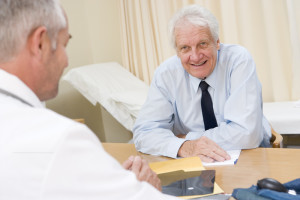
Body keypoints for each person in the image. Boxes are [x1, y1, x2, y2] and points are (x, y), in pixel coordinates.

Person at [0, 0, 178, 199]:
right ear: (40, 43)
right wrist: (144, 192)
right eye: (64, 45)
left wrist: (108, 181)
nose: (66, 60)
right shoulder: (59, 140)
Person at [133, 4, 271, 162]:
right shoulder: (166, 74)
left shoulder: (238, 60)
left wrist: (188, 139)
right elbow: (144, 133)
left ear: (217, 42)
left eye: (202, 44)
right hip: (195, 166)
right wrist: (184, 146)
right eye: (185, 48)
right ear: (177, 52)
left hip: (250, 157)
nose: (195, 56)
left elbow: (247, 134)